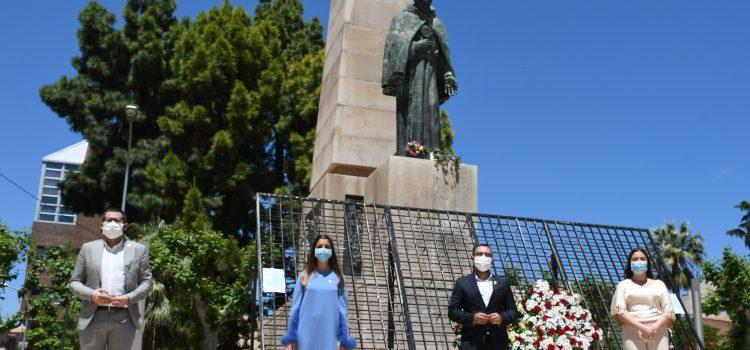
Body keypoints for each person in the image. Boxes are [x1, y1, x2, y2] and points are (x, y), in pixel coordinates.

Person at [69, 208, 153, 350]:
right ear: (102, 224)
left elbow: (147, 282)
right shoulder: (88, 248)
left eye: (117, 220)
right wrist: (91, 294)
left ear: (124, 226)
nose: (112, 223)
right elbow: (74, 283)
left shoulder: (138, 250)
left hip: (125, 318)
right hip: (93, 317)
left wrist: (129, 298)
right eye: (109, 220)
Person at [382, 0, 458, 155]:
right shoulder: (402, 19)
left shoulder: (436, 23)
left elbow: (443, 57)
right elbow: (393, 49)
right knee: (413, 109)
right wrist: (414, 48)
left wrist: (448, 74)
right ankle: (413, 149)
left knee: (432, 106)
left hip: (430, 71)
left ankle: (435, 149)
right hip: (411, 73)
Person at [282, 235, 357, 350]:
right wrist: (291, 337)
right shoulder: (304, 276)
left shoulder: (339, 278)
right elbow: (295, 308)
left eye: (327, 247)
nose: (323, 249)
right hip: (305, 336)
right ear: (314, 250)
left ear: (331, 251)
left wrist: (344, 338)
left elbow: (342, 310)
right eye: (320, 246)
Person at [448, 244, 517, 350]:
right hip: (471, 343)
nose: (483, 257)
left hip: (498, 343)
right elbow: (452, 311)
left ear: (491, 260)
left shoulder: (502, 283)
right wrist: (472, 318)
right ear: (473, 258)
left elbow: (512, 311)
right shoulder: (462, 283)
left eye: (487, 255)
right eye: (480, 254)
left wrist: (501, 318)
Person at [611, 248, 675, 350]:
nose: (639, 261)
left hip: (658, 331)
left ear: (647, 263)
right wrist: (642, 328)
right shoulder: (623, 285)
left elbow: (668, 311)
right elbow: (619, 310)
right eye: (635, 259)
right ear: (630, 263)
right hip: (632, 332)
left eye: (642, 258)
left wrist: (653, 328)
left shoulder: (659, 284)